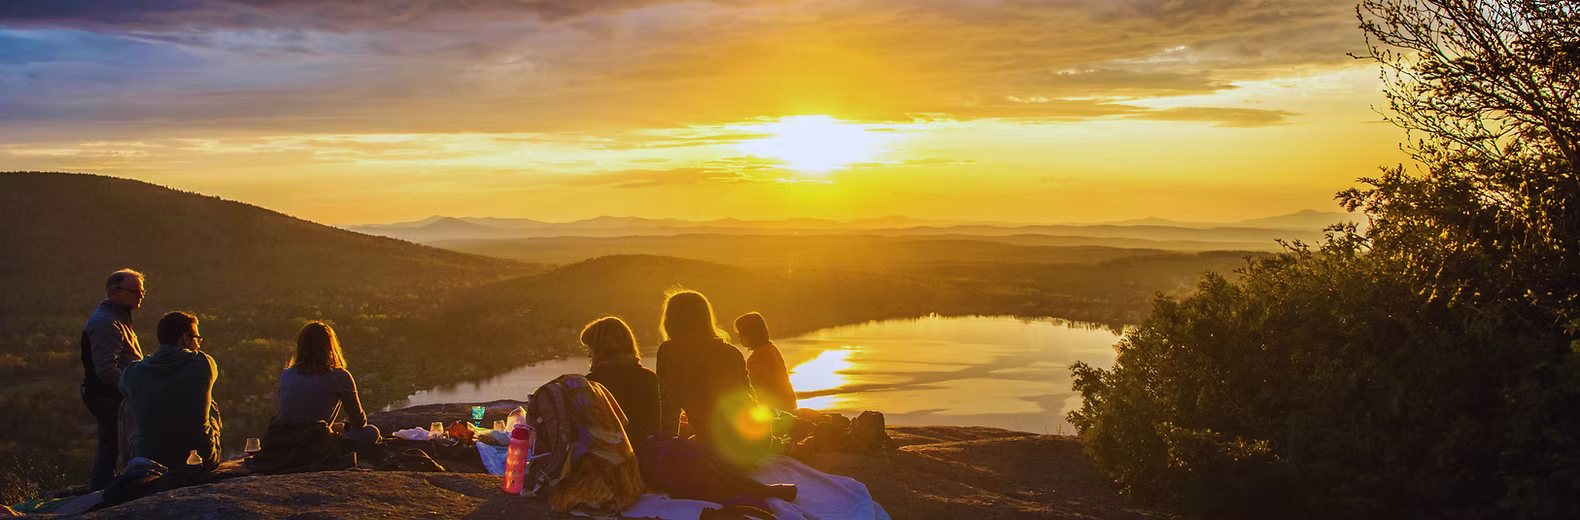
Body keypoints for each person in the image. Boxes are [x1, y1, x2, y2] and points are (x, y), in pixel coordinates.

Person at [656, 290, 768, 466]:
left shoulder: (669, 351)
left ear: (670, 320)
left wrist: (666, 452)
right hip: (755, 445)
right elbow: (751, 400)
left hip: (720, 451)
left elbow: (669, 408)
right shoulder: (733, 352)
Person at [251, 322, 380, 471]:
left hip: (277, 445)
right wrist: (343, 428)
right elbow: (359, 423)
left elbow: (293, 416)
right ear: (330, 346)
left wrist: (336, 427)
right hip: (312, 448)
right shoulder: (339, 376)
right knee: (371, 432)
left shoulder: (287, 374)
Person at [119, 311, 222, 471]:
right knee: (209, 401)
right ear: (185, 339)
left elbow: (122, 387)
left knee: (127, 404)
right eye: (197, 339)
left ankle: (129, 468)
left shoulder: (133, 372)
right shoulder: (204, 364)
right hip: (199, 458)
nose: (199, 344)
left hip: (148, 458)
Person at [81, 269, 146, 490]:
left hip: (113, 395)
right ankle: (102, 496)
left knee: (114, 447)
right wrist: (133, 389)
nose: (141, 295)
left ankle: (104, 492)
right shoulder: (105, 322)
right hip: (109, 396)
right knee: (112, 448)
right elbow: (107, 369)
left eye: (142, 290)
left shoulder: (117, 317)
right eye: (136, 291)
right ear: (115, 292)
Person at [581, 317, 659, 450]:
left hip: (609, 463)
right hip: (651, 459)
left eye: (591, 349)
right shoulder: (651, 379)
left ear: (601, 350)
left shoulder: (592, 385)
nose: (589, 355)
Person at [734, 313, 796, 413]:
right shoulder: (770, 349)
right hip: (785, 407)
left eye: (741, 332)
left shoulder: (760, 357)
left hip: (775, 410)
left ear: (751, 333)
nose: (738, 336)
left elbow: (747, 385)